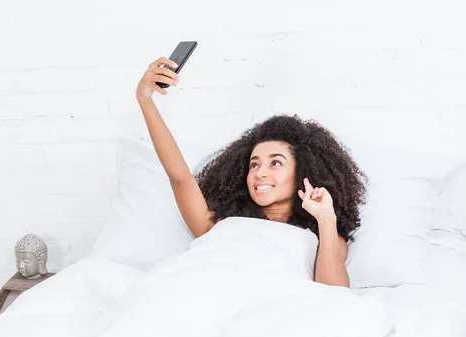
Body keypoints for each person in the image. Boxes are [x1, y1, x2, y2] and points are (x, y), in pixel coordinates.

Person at [136, 57, 367, 288]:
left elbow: (334, 294)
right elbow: (180, 177)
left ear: (303, 171)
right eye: (254, 165)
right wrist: (145, 100)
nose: (260, 173)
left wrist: (326, 219)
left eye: (275, 163)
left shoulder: (323, 238)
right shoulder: (216, 224)